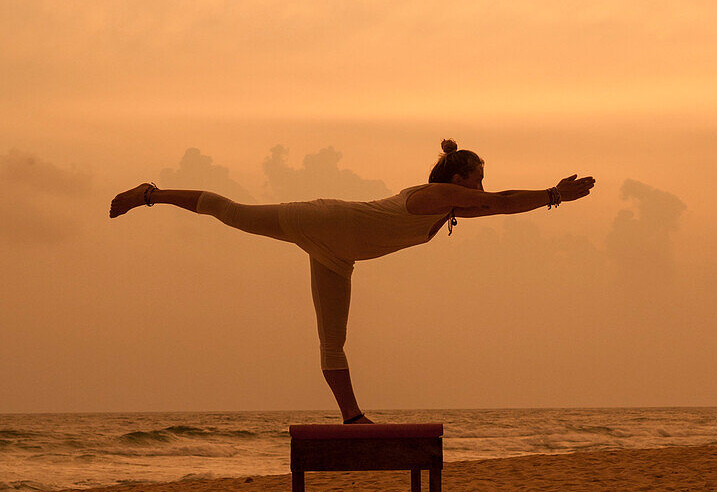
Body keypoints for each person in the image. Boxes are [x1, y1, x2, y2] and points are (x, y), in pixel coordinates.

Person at [110, 138, 595, 423]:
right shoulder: (433, 195)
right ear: (458, 178)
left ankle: (352, 419)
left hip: (339, 255)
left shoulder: (450, 208)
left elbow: (498, 204)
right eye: (478, 177)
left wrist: (547, 197)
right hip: (326, 222)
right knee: (233, 212)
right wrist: (555, 194)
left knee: (333, 340)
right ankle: (149, 192)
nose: (482, 186)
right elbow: (504, 201)